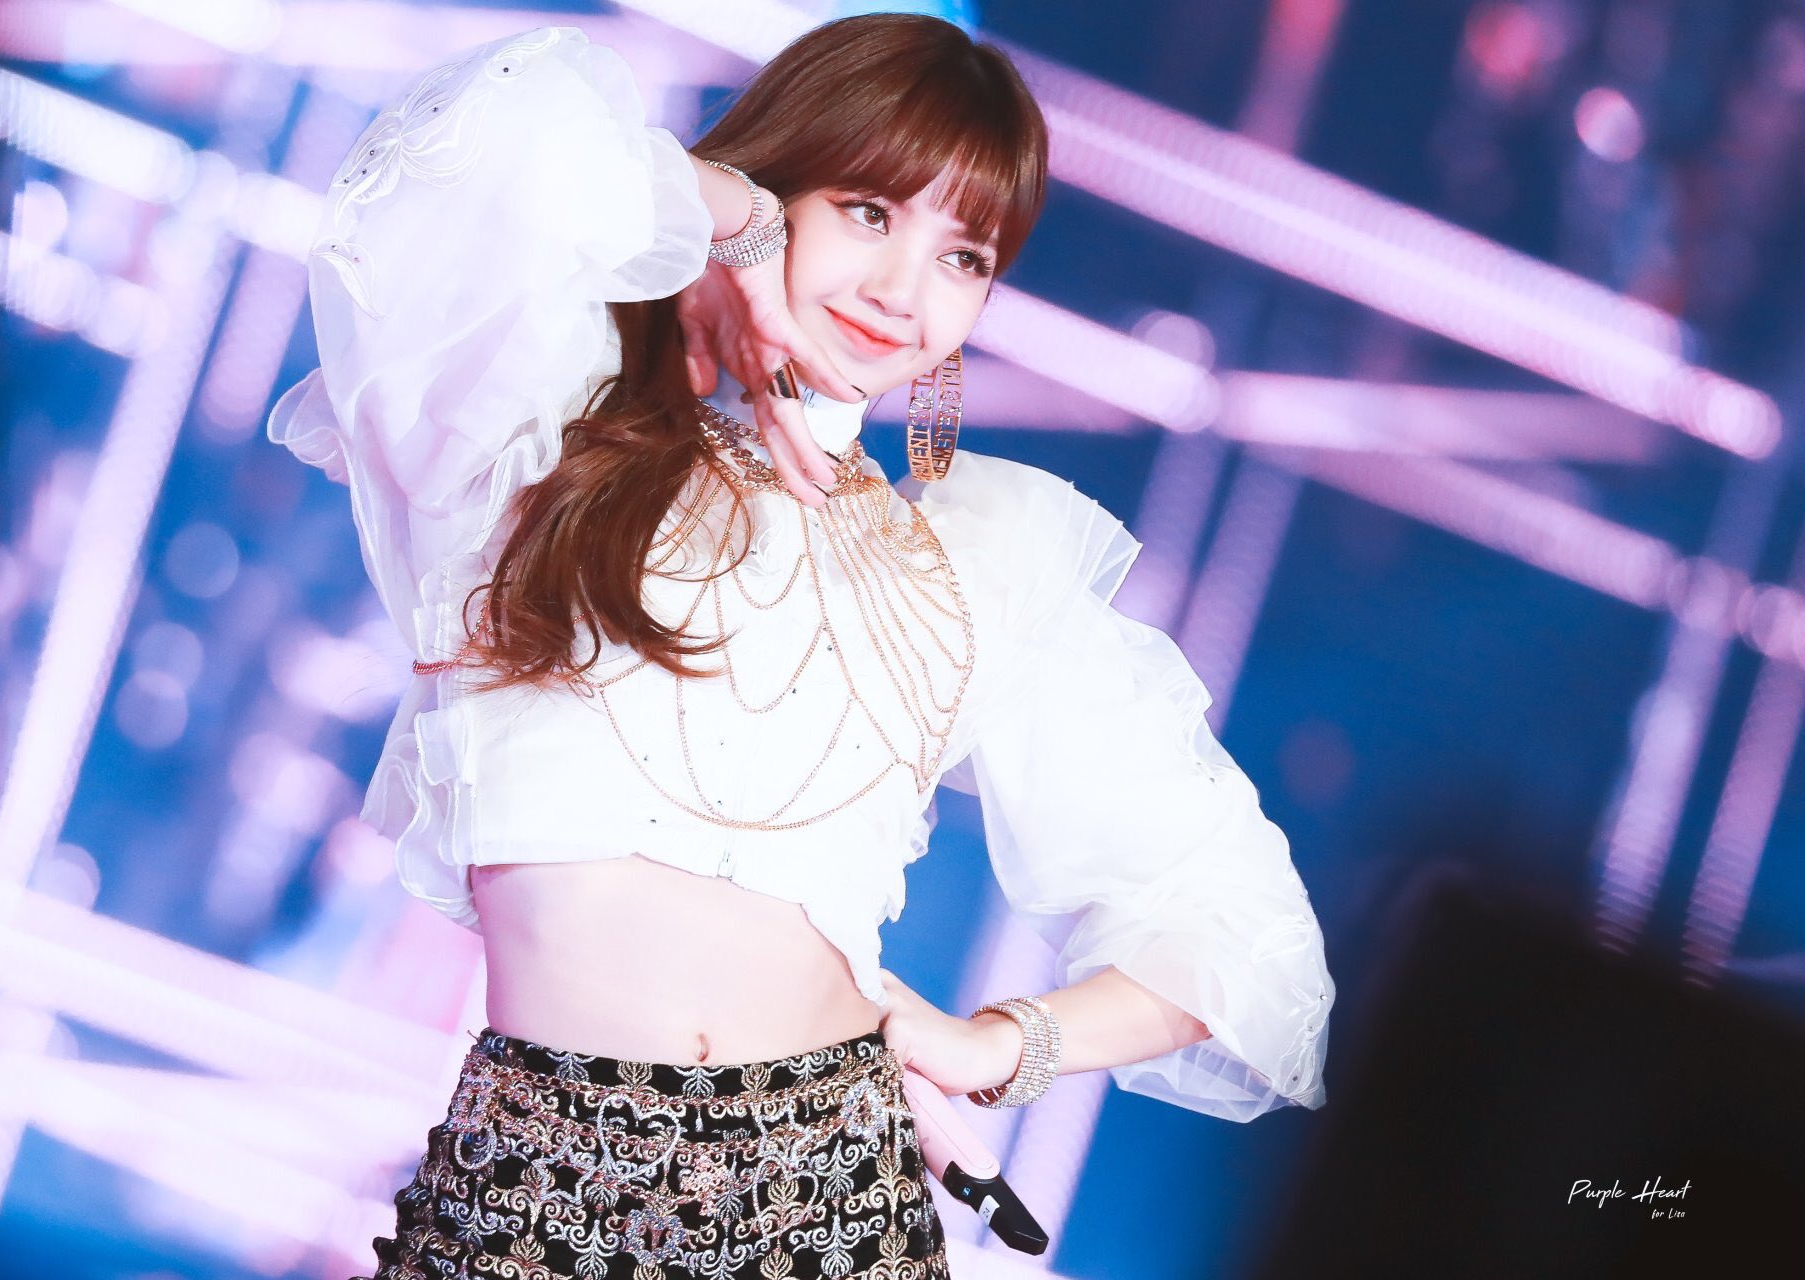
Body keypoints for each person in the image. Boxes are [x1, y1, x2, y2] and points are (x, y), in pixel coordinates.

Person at [269, 13, 1335, 1279]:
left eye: (963, 256)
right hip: (530, 1206)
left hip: (827, 1221)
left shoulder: (970, 569)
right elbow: (476, 146)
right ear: (782, 184)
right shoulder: (539, 441)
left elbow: (1243, 931)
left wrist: (998, 1043)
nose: (902, 290)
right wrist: (731, 227)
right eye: (868, 212)